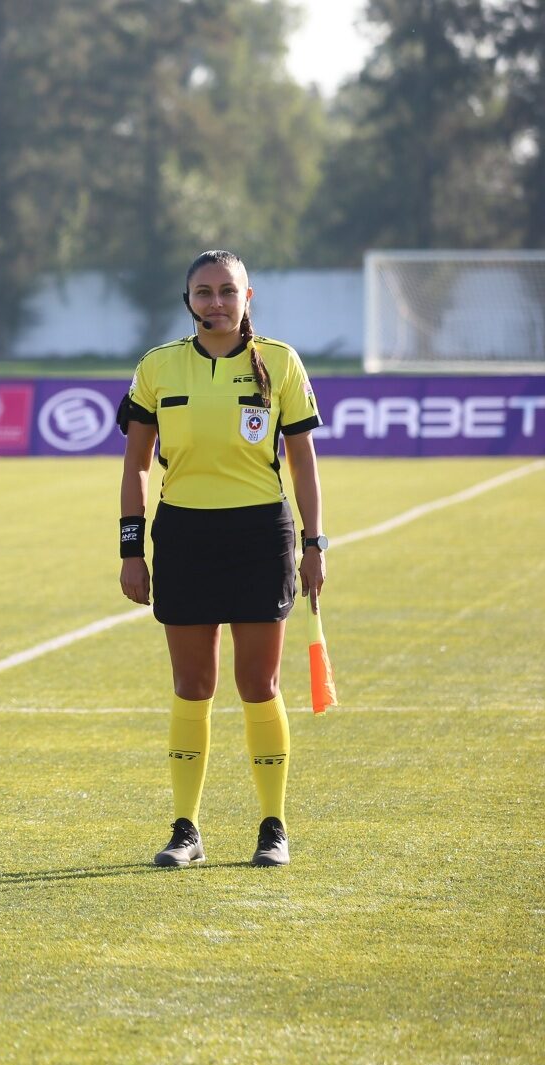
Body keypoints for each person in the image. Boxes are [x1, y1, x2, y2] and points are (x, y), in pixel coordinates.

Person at [117, 249, 324, 869]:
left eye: (227, 291)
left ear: (247, 297)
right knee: (192, 686)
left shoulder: (281, 363)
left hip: (260, 536)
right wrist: (133, 550)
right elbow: (135, 466)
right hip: (183, 538)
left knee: (258, 685)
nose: (216, 302)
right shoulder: (158, 367)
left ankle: (273, 826)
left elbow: (305, 463)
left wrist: (315, 543)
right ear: (188, 300)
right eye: (203, 292)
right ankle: (186, 829)